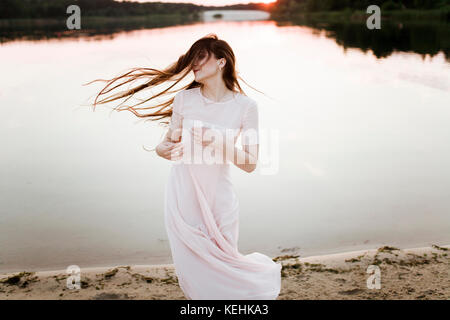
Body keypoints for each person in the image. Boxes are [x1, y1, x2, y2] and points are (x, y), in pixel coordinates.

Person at [88, 33, 281, 300]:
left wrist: (217, 141)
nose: (195, 64)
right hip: (182, 195)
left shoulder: (246, 106)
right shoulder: (184, 99)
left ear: (222, 61)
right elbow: (167, 144)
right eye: (193, 59)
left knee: (226, 266)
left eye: (201, 57)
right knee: (195, 273)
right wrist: (160, 150)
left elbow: (249, 163)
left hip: (219, 198)